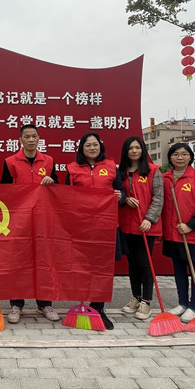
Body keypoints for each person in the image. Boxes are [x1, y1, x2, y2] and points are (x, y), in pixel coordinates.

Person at [0, 124, 60, 323]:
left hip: (43, 220)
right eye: (27, 136)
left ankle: (45, 303)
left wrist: (52, 181)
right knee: (18, 262)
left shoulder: (49, 161)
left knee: (44, 260)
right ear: (20, 140)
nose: (31, 140)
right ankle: (16, 304)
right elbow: (4, 191)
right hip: (19, 221)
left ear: (39, 138)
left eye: (34, 136)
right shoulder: (10, 162)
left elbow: (58, 189)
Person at [64, 132, 124, 330]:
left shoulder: (111, 167)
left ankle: (98, 307)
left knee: (102, 269)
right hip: (81, 227)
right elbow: (65, 196)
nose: (92, 148)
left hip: (106, 226)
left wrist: (120, 196)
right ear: (82, 148)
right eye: (88, 145)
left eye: (95, 144)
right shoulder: (72, 169)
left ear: (100, 146)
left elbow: (122, 193)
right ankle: (83, 304)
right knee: (83, 267)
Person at [161, 143, 195, 324]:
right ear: (170, 158)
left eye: (184, 154)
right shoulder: (164, 178)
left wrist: (190, 225)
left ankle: (194, 306)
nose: (180, 157)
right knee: (178, 270)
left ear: (190, 157)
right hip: (172, 233)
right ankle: (182, 303)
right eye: (175, 154)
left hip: (192, 233)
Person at [118, 136, 163, 321]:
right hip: (126, 224)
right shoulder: (121, 172)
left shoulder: (153, 171)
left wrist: (149, 219)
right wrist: (124, 199)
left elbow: (158, 197)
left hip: (144, 225)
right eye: (130, 148)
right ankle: (136, 297)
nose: (134, 151)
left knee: (145, 263)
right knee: (132, 263)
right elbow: (118, 192)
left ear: (143, 150)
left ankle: (146, 301)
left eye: (137, 147)